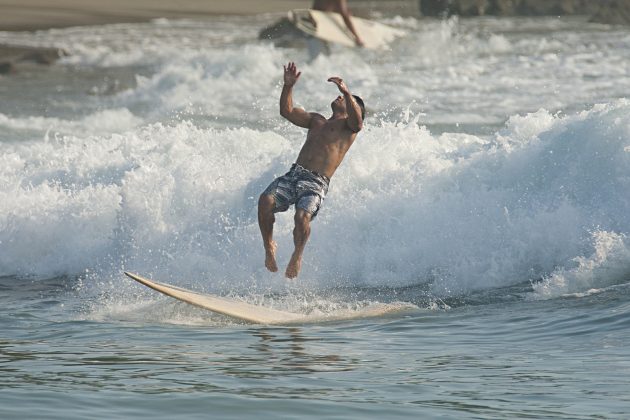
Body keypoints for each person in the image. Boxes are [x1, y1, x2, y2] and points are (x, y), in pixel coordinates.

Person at [258, 62, 365, 279]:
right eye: (342, 96)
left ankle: (297, 255)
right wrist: (287, 86)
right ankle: (269, 246)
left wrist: (347, 91)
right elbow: (286, 111)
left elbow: (358, 122)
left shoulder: (349, 129)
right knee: (265, 201)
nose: (340, 98)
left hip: (316, 182)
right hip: (294, 174)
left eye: (346, 100)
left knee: (301, 217)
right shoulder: (316, 121)